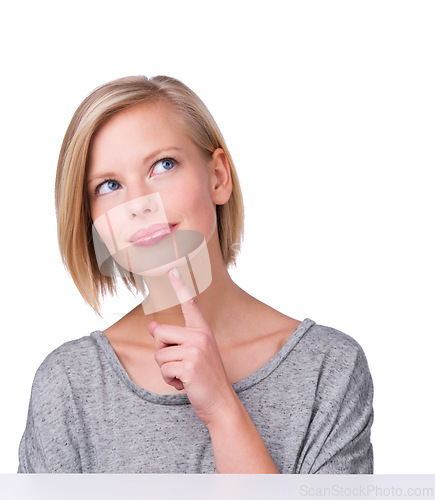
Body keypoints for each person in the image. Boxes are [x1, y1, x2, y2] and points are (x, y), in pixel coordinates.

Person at [18, 75, 374, 474]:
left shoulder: (328, 369)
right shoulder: (69, 385)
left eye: (162, 165)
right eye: (109, 185)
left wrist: (223, 409)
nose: (138, 204)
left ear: (218, 177)